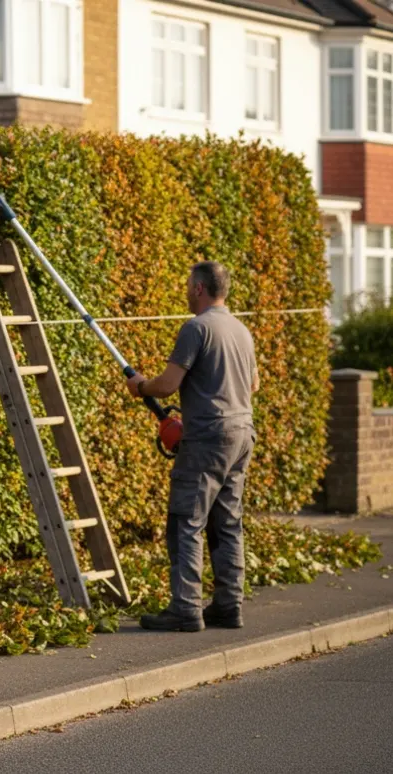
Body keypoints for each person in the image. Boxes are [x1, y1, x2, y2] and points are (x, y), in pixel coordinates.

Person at [126, 261, 258, 632]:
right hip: (242, 434)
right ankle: (229, 606)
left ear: (199, 288)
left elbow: (168, 385)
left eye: (188, 285)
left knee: (187, 521)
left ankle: (185, 609)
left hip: (207, 439)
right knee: (227, 523)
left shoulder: (196, 328)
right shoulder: (241, 330)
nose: (187, 291)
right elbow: (253, 386)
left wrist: (140, 386)